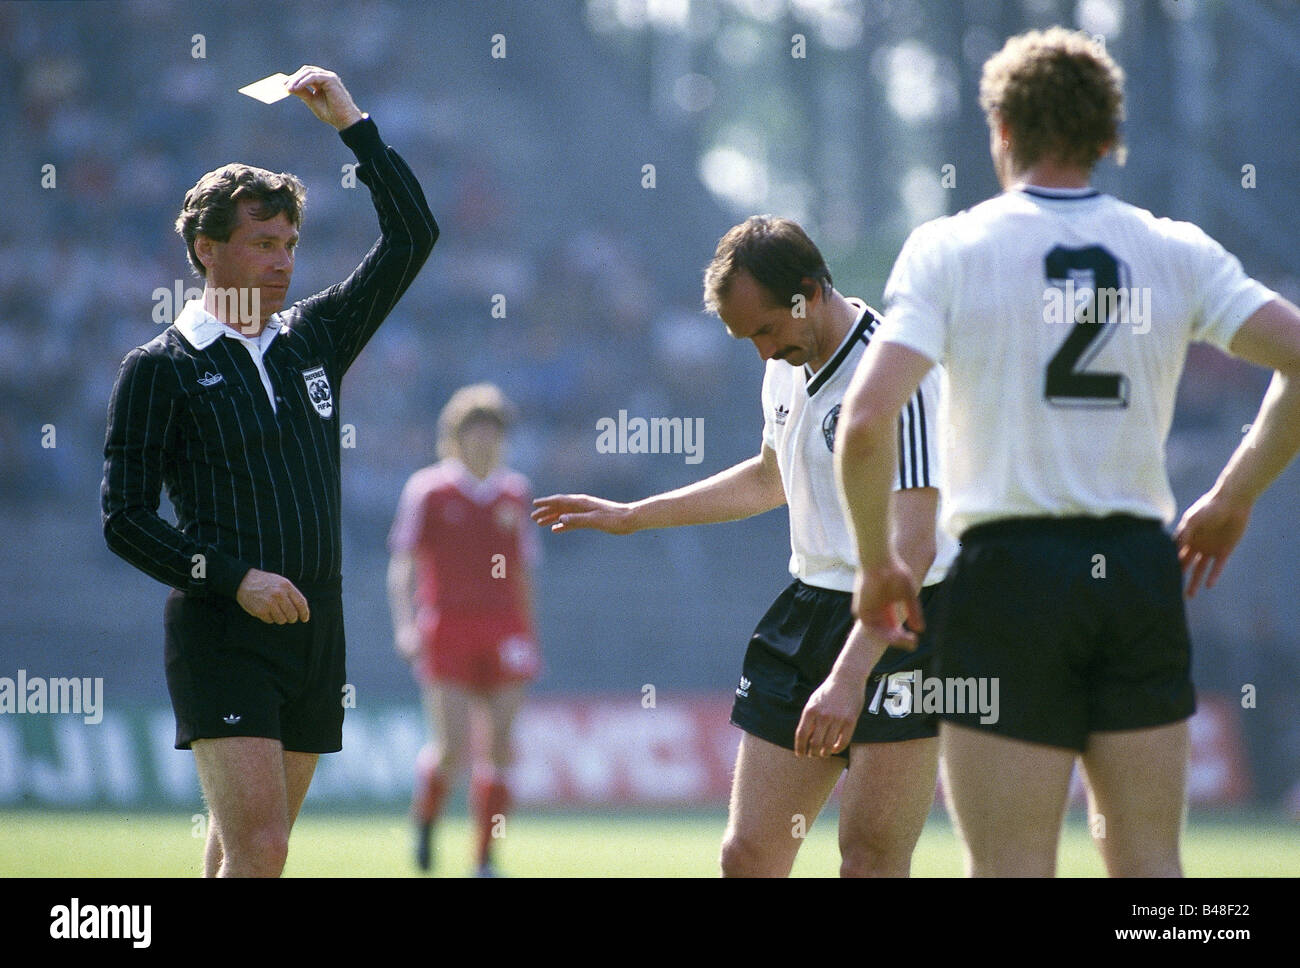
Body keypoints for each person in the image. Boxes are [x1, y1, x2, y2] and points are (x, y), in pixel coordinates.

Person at [835, 27, 1300, 878]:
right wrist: (1235, 495)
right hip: (1136, 569)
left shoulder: (950, 248)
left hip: (1006, 575)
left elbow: (865, 425)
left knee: (1012, 865)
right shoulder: (1174, 248)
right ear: (1107, 137)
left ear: (1001, 130)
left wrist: (875, 565)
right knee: (1152, 867)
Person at [531, 216, 956, 877]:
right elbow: (769, 477)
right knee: (749, 855)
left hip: (903, 631)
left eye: (765, 330)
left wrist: (848, 678)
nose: (760, 352)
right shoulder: (785, 365)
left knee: (869, 860)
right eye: (745, 337)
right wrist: (634, 515)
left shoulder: (902, 371)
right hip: (809, 608)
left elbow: (916, 547)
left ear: (808, 292)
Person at [101, 66, 438, 877]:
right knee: (262, 851)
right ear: (205, 250)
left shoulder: (313, 337)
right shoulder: (160, 368)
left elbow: (413, 237)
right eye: (263, 242)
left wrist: (352, 125)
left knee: (241, 857)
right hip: (226, 630)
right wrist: (234, 577)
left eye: (290, 243)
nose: (283, 260)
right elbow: (125, 519)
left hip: (317, 624)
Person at [388, 384, 541, 877]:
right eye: (474, 431)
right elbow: (404, 565)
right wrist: (406, 625)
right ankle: (426, 820)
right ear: (454, 437)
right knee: (452, 748)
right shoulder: (428, 490)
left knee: (500, 747)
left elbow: (522, 571)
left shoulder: (515, 493)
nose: (483, 441)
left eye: (493, 432)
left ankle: (484, 856)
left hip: (504, 628)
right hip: (447, 627)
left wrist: (529, 634)